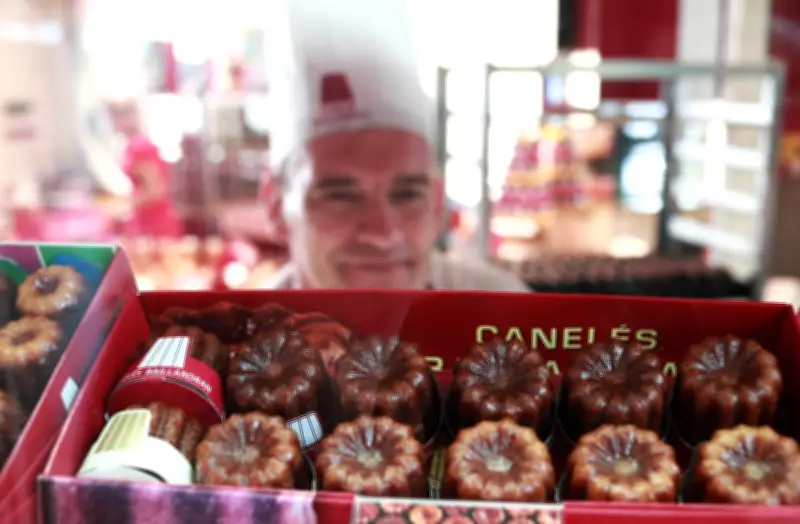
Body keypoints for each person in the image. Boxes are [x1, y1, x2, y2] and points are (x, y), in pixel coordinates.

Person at [262, 0, 528, 291]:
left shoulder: (505, 313)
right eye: (340, 196)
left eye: (408, 194)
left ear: (437, 204)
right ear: (276, 207)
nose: (384, 233)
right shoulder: (240, 332)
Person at [111, 100, 184, 238]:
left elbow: (156, 189)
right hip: (145, 219)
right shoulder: (132, 145)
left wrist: (124, 207)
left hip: (155, 222)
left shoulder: (141, 147)